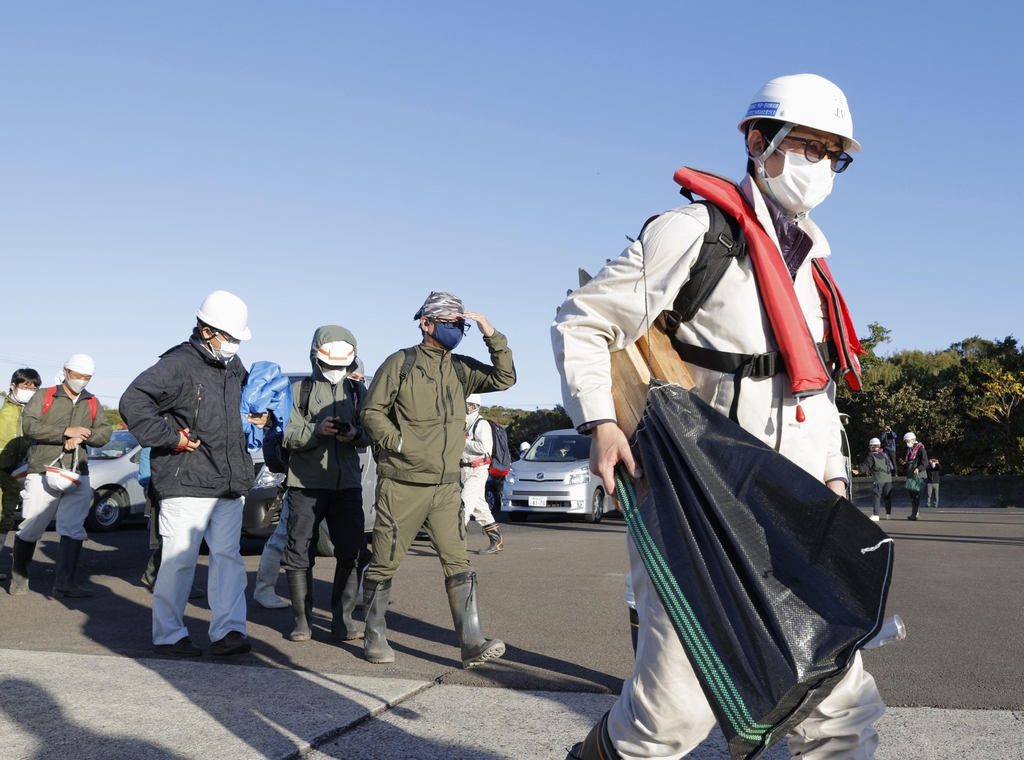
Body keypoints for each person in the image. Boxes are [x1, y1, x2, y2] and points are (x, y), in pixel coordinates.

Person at [553, 74, 885, 759]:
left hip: (792, 514)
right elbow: (584, 322)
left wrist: (834, 482)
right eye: (809, 147)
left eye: (834, 154)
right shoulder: (695, 232)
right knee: (668, 721)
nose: (820, 167)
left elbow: (813, 391)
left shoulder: (813, 266)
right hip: (698, 509)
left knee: (841, 712)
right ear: (758, 142)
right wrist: (600, 422)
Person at [360, 291, 516, 667]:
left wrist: (491, 335)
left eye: (459, 325)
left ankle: (471, 641)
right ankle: (374, 635)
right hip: (403, 484)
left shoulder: (460, 368)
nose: (456, 331)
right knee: (384, 562)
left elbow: (505, 377)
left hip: (447, 487)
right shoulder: (401, 363)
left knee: (458, 561)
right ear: (426, 324)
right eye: (449, 324)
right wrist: (398, 442)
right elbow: (370, 411)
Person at [119, 291, 265, 657]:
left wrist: (260, 418)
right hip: (186, 482)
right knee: (179, 560)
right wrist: (173, 438)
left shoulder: (234, 366)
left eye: (236, 338)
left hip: (229, 483)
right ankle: (169, 635)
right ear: (205, 330)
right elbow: (133, 401)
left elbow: (247, 407)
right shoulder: (177, 364)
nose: (233, 344)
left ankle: (228, 632)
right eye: (228, 337)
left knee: (228, 559)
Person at [279, 326, 369, 643]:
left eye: (342, 367)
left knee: (353, 552)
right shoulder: (297, 390)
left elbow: (370, 432)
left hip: (347, 485)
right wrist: (316, 431)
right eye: (330, 365)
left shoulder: (358, 392)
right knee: (299, 550)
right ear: (316, 358)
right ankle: (302, 621)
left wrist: (354, 434)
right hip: (305, 484)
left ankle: (342, 621)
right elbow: (287, 435)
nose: (336, 372)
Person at [9, 356, 112, 597]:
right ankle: (19, 578)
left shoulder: (92, 401)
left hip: (78, 471)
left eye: (87, 377)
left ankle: (65, 583)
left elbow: (105, 433)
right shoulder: (45, 396)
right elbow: (29, 426)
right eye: (78, 375)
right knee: (32, 524)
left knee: (73, 527)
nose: (82, 381)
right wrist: (65, 433)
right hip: (42, 469)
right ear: (65, 371)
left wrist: (82, 436)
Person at [139, 447, 204, 599]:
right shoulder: (164, 423)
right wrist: (147, 483)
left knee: (184, 535)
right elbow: (148, 449)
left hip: (192, 484)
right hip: (169, 484)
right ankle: (166, 578)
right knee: (179, 535)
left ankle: (155, 574)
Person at [0, 368, 42, 580]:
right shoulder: (2, 407)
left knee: (6, 519)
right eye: (25, 387)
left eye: (34, 388)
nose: (29, 391)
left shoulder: (35, 414)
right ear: (12, 386)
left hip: (16, 473)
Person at [461, 393, 502, 554]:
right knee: (480, 509)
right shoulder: (465, 424)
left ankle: (453, 544)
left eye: (465, 404)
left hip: (477, 471)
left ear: (472, 406)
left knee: (462, 507)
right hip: (465, 469)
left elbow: (484, 449)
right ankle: (497, 541)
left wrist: (463, 440)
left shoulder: (481, 424)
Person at [853, 437, 894, 521]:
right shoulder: (884, 454)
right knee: (887, 496)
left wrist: (858, 471)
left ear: (871, 446)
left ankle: (876, 515)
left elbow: (867, 466)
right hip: (888, 478)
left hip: (879, 478)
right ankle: (888, 514)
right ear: (879, 445)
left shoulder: (871, 455)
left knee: (877, 496)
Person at [901, 431, 928, 521]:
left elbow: (925, 462)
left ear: (913, 439)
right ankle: (916, 512)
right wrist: (904, 463)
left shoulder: (920, 449)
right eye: (906, 441)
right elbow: (909, 461)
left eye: (907, 441)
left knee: (916, 494)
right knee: (912, 495)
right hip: (911, 475)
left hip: (918, 475)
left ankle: (914, 514)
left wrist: (919, 468)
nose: (907, 443)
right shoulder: (910, 450)